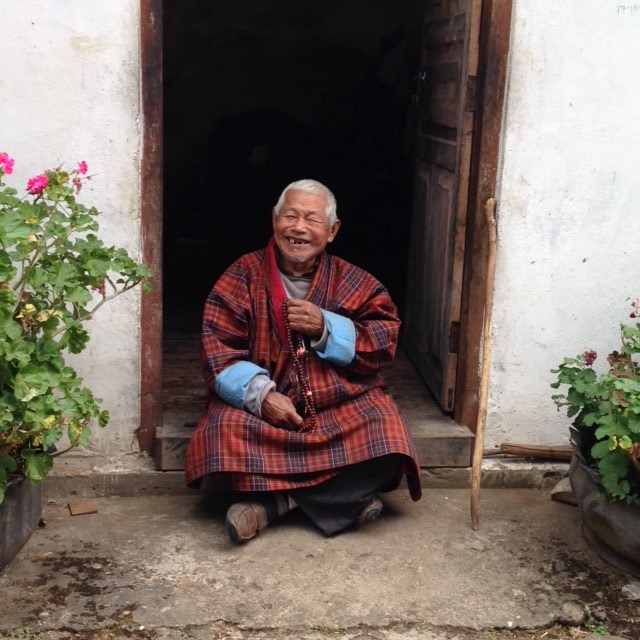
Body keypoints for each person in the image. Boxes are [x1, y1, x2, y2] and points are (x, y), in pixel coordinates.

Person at [184, 179, 422, 544]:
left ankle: (276, 505)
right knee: (219, 435)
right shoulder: (241, 275)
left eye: (311, 220)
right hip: (265, 410)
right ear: (274, 220)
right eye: (290, 216)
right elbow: (217, 351)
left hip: (338, 402)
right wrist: (261, 396)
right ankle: (342, 499)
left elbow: (383, 341)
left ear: (331, 231)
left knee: (389, 434)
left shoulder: (353, 279)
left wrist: (327, 328)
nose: (298, 228)